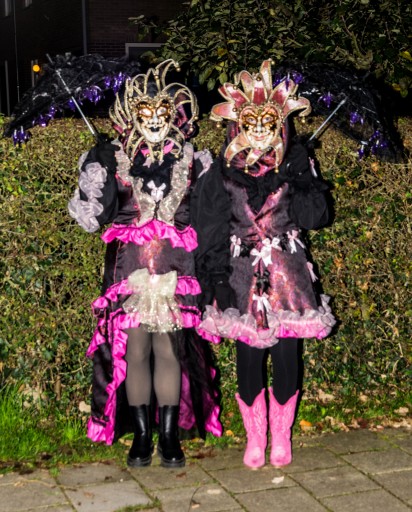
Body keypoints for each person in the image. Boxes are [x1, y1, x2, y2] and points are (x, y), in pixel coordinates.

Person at [68, 60, 221, 468]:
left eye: (162, 112)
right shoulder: (114, 159)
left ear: (175, 116)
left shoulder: (192, 161)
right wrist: (94, 170)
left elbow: (210, 218)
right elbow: (94, 218)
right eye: (145, 112)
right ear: (132, 117)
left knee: (168, 349)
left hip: (175, 269)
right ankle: (141, 436)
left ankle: (169, 437)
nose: (154, 120)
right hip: (128, 270)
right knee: (135, 350)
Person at [194, 59, 336, 469]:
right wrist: (215, 279)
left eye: (267, 122)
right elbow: (210, 229)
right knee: (249, 358)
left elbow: (316, 218)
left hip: (288, 276)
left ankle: (281, 438)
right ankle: (255, 438)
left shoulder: (294, 163)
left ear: (279, 125)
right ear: (237, 125)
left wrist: (304, 175)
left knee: (288, 355)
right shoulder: (221, 171)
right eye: (251, 122)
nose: (259, 130)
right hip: (241, 276)